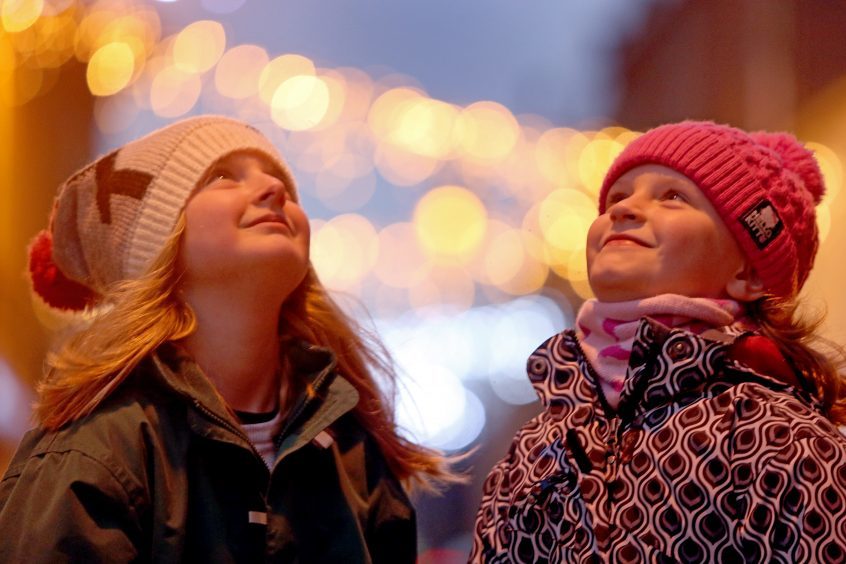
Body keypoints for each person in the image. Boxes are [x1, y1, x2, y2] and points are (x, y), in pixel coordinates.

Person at [0, 115, 453, 562]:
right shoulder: (97, 452)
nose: (274, 189)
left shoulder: (349, 445)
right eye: (221, 176)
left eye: (278, 178)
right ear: (157, 244)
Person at [471, 121, 846, 562]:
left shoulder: (779, 437)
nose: (625, 209)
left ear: (748, 273)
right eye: (617, 197)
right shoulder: (542, 443)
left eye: (673, 196)